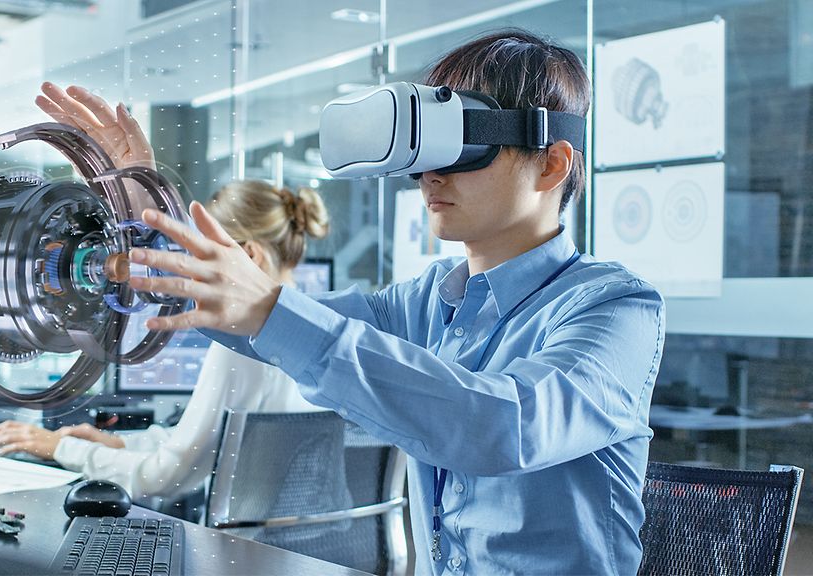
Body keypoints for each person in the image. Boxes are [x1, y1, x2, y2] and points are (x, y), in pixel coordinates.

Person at [96, 30, 666, 575]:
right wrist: (151, 223)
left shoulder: (616, 307)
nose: (429, 175)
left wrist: (272, 309)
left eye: (463, 145)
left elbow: (503, 426)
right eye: (425, 149)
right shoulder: (426, 303)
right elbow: (253, 323)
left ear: (551, 164)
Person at [0, 174, 331, 501]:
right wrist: (115, 444)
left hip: (250, 558)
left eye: (207, 257)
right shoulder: (319, 327)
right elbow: (201, 444)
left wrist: (58, 448)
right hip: (313, 554)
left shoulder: (246, 342)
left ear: (249, 255)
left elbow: (168, 476)